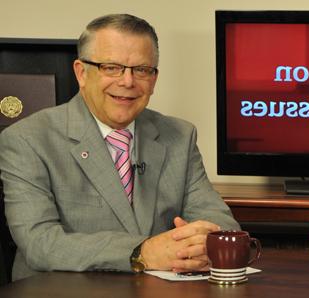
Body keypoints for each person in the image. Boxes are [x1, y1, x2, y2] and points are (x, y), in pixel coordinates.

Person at [0, 14, 240, 281]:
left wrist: (203, 242)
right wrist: (142, 252)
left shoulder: (179, 137)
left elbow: (222, 224)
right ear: (81, 73)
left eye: (141, 70)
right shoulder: (27, 139)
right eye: (112, 67)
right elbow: (39, 244)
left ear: (154, 78)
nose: (127, 82)